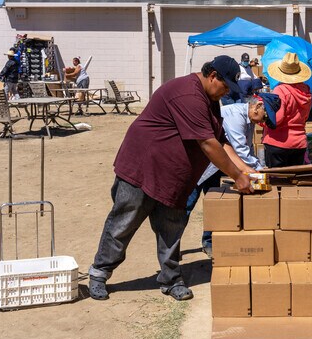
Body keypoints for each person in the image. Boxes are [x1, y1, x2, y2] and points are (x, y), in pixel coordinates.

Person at [88, 55, 253, 302]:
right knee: (124, 222)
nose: (227, 92)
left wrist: (246, 170)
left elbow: (220, 139)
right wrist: (237, 176)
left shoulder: (210, 99)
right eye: (226, 86)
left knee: (172, 227)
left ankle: (171, 279)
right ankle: (99, 273)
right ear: (212, 76)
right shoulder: (188, 94)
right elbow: (208, 144)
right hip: (142, 169)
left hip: (173, 176)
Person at [186, 92, 281, 257]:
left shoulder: (249, 120)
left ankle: (209, 242)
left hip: (217, 167)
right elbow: (240, 150)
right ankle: (171, 247)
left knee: (214, 207)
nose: (262, 122)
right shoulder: (235, 115)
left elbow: (248, 148)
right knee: (186, 205)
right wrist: (259, 172)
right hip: (201, 165)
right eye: (264, 117)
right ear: (257, 105)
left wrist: (259, 168)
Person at [263, 52, 312, 167]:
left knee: (278, 182)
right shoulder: (306, 91)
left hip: (278, 143)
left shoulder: (280, 90)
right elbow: (305, 117)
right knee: (295, 182)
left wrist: (262, 121)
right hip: (299, 143)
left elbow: (277, 119)